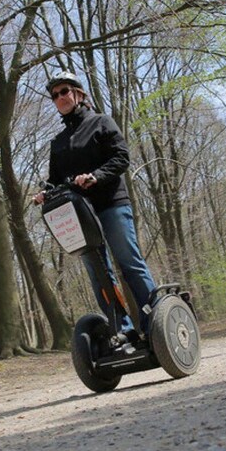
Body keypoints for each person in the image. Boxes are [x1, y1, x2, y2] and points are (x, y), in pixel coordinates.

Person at [33, 71, 156, 339]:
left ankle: (154, 322)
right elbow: (54, 180)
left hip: (111, 204)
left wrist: (95, 176)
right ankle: (122, 330)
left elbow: (121, 157)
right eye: (54, 95)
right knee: (100, 274)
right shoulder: (58, 142)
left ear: (78, 93)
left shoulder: (101, 122)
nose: (60, 98)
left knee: (128, 263)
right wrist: (44, 192)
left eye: (64, 91)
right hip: (80, 216)